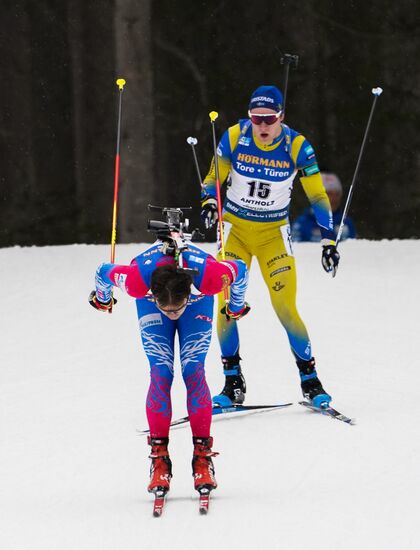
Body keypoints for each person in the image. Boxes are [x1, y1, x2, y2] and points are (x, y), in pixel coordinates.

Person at [88, 210, 249, 499]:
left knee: (193, 371)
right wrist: (102, 298)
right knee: (161, 373)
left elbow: (241, 270)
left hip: (198, 304)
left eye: (177, 307)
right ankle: (159, 459)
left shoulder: (210, 278)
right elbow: (103, 270)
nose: (172, 312)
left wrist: (235, 305)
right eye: (168, 308)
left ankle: (202, 457)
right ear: (154, 294)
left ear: (189, 290)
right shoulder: (138, 282)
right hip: (154, 303)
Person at [200, 85, 340, 409]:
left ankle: (310, 381)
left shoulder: (297, 146)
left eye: (269, 119)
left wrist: (329, 239)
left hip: (273, 236)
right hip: (234, 232)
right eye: (256, 118)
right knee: (226, 305)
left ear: (281, 117)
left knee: (286, 307)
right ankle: (232, 382)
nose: (262, 126)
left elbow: (318, 195)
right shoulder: (235, 137)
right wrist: (209, 201)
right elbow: (212, 178)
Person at [292, 171, 356, 242]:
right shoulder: (301, 223)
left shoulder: (346, 222)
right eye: (328, 194)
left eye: (337, 194)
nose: (333, 199)